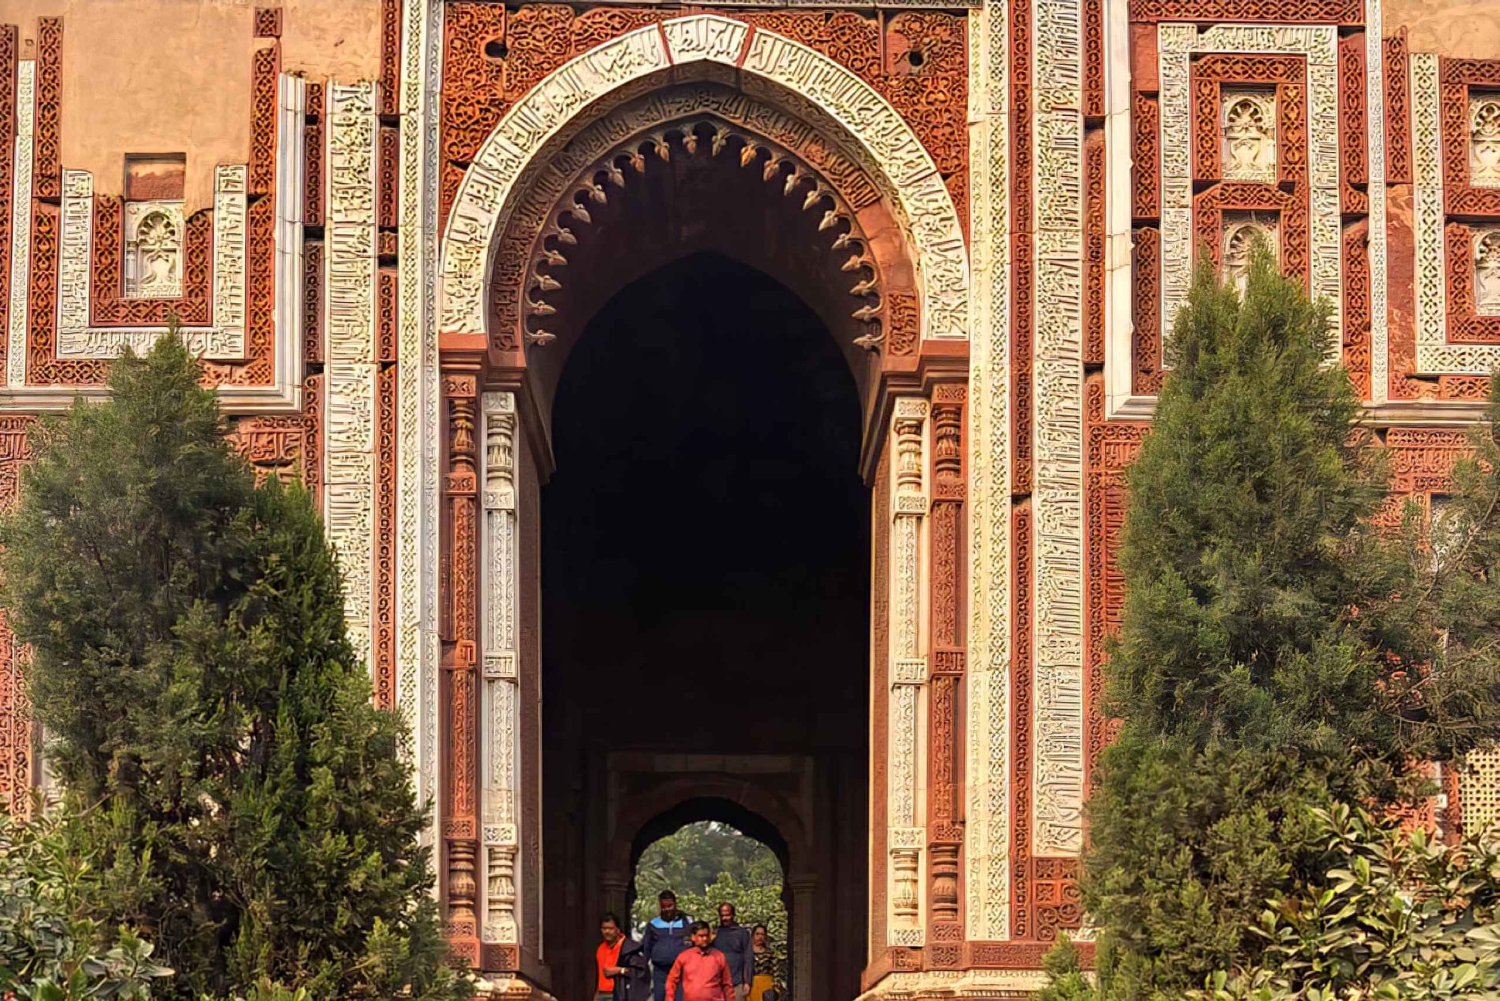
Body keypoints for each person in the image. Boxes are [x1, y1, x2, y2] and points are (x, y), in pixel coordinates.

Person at [641, 889, 693, 1001]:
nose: (667, 909)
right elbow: (646, 947)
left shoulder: (687, 923)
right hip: (660, 971)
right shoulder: (653, 924)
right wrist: (642, 968)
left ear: (675, 904)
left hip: (681, 971)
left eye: (669, 906)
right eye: (664, 907)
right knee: (660, 997)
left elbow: (695, 943)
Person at [664, 921, 734, 1001]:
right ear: (693, 937)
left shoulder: (719, 956)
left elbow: (727, 984)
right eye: (701, 936)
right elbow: (671, 980)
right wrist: (669, 998)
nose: (705, 939)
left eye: (707, 935)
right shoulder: (684, 957)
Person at [709, 903, 752, 1000]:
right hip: (718, 983)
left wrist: (747, 982)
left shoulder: (742, 933)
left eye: (727, 915)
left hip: (737, 983)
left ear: (733, 915)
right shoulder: (715, 933)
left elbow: (748, 958)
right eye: (722, 915)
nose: (724, 918)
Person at [595, 914, 628, 1001]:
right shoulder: (601, 948)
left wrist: (619, 970)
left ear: (618, 929)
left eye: (610, 928)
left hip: (619, 993)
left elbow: (638, 972)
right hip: (601, 994)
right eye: (604, 928)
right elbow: (600, 976)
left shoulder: (627, 947)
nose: (607, 931)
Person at [747, 925, 776, 1001]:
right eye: (757, 934)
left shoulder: (769, 953)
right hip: (751, 985)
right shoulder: (747, 953)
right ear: (753, 935)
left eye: (762, 934)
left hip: (767, 985)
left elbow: (775, 971)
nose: (760, 937)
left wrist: (775, 987)